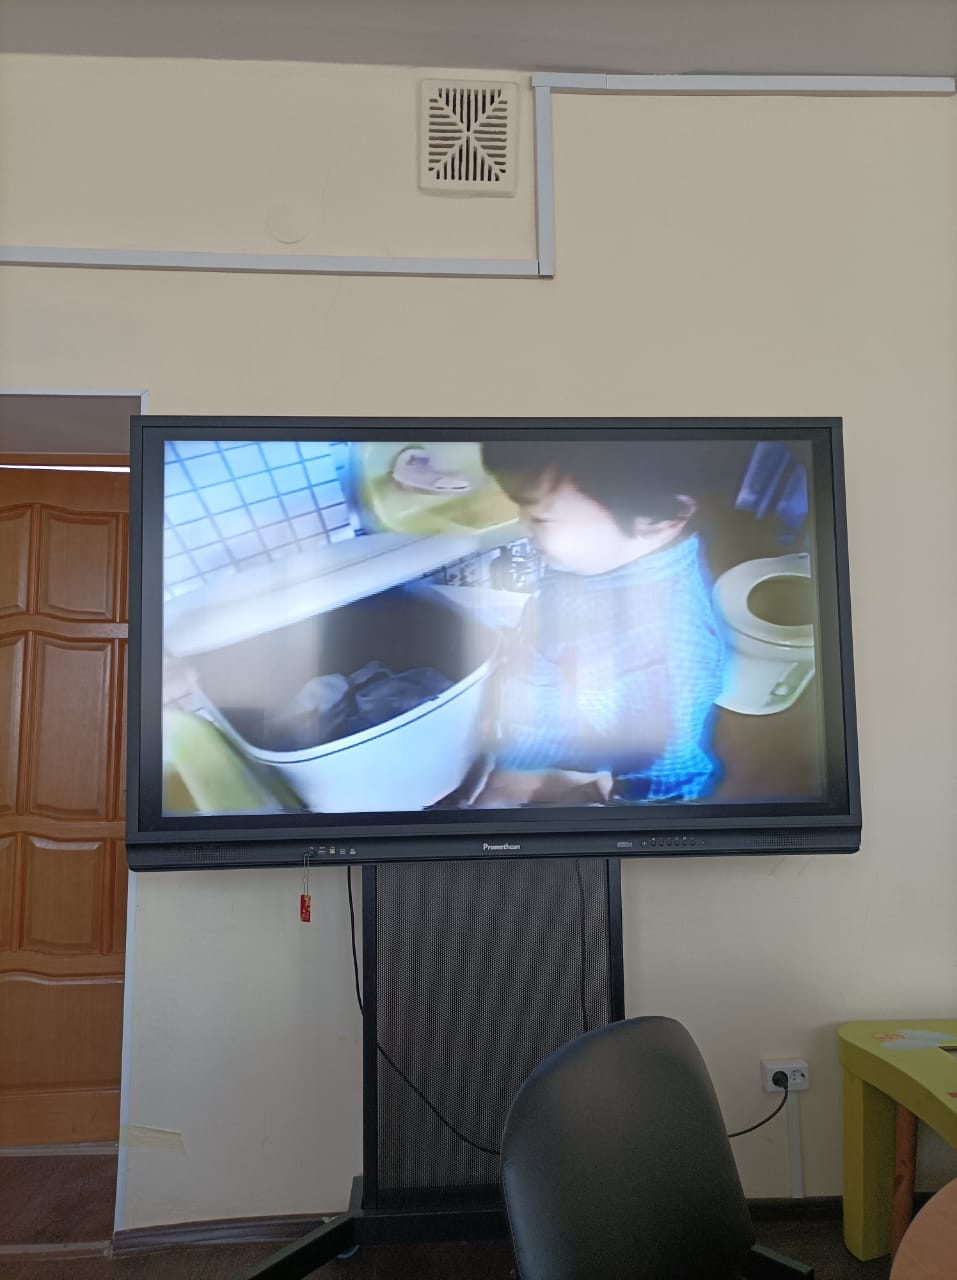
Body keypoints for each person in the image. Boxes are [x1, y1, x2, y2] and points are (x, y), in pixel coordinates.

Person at [471, 439, 726, 808]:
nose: (524, 526)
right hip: (539, 721)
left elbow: (665, 778)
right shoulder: (602, 556)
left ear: (658, 520)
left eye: (541, 518)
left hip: (566, 762)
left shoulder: (658, 656)